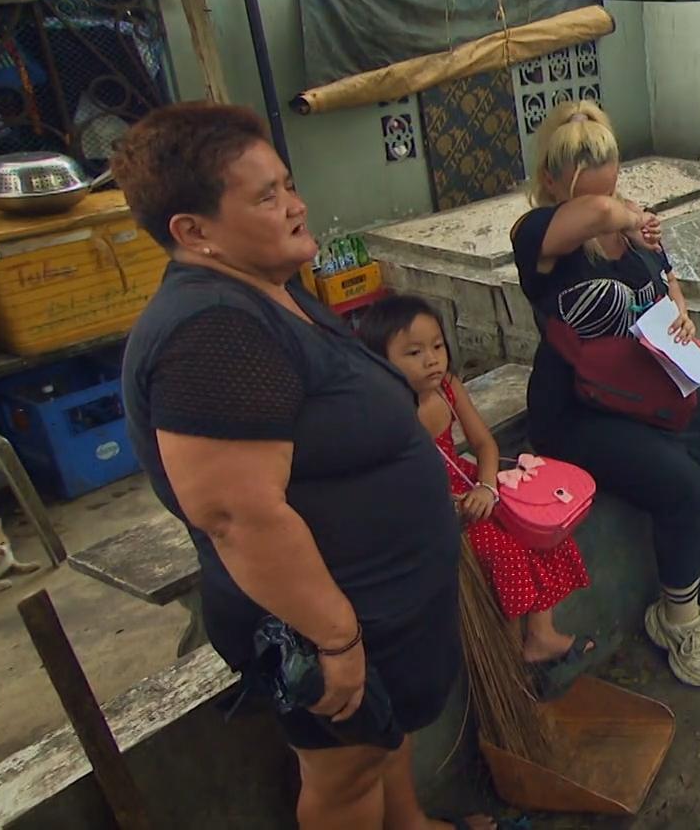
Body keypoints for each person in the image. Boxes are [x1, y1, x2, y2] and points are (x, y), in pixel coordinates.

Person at [116, 104, 486, 829]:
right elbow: (236, 515)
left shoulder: (269, 289)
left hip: (384, 609)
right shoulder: (210, 333)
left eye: (288, 184)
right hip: (335, 623)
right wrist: (336, 638)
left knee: (383, 741)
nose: (296, 205)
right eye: (267, 196)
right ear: (192, 231)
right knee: (344, 777)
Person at [509, 102, 700, 688]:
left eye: (612, 181)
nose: (606, 200)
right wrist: (624, 212)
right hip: (582, 409)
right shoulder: (538, 237)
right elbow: (594, 214)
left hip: (656, 386)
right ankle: (678, 619)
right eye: (591, 191)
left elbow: (666, 285)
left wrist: (681, 316)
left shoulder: (632, 232)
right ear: (551, 183)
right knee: (684, 486)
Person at [359, 295, 593, 665]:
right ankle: (508, 651)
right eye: (414, 352)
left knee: (540, 528)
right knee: (506, 554)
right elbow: (392, 488)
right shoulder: (387, 415)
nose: (432, 359)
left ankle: (541, 633)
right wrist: (451, 505)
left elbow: (484, 444)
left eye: (438, 346)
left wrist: (487, 487)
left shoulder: (448, 387)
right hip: (436, 508)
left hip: (471, 485)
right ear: (379, 361)